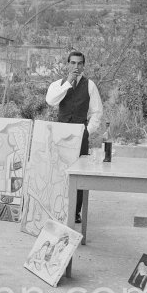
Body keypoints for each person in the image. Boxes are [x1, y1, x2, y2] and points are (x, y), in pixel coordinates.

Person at [45, 50, 103, 223]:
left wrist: (87, 131)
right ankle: (58, 208)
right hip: (61, 133)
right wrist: (67, 84)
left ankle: (76, 212)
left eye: (79, 63)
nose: (76, 67)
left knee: (79, 175)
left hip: (80, 134)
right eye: (72, 63)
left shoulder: (90, 85)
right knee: (58, 172)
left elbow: (97, 112)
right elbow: (51, 101)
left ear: (83, 65)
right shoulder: (58, 84)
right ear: (67, 64)